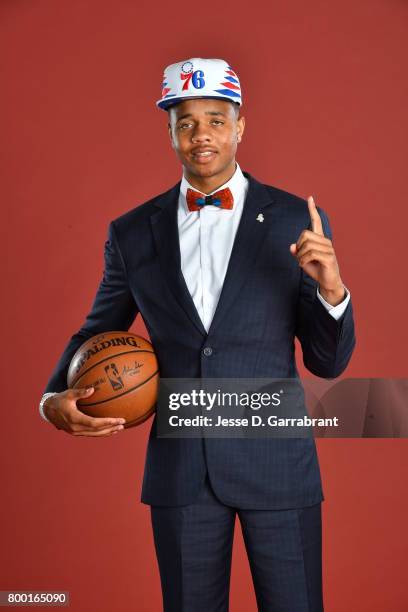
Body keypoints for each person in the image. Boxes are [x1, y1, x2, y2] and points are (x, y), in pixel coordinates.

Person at [39, 57, 356, 611]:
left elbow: (327, 366)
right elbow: (97, 330)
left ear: (240, 126)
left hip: (277, 466)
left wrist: (332, 290)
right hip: (181, 470)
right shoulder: (133, 231)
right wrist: (50, 398)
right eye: (185, 122)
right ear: (169, 132)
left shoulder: (293, 219)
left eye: (215, 118)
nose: (201, 134)